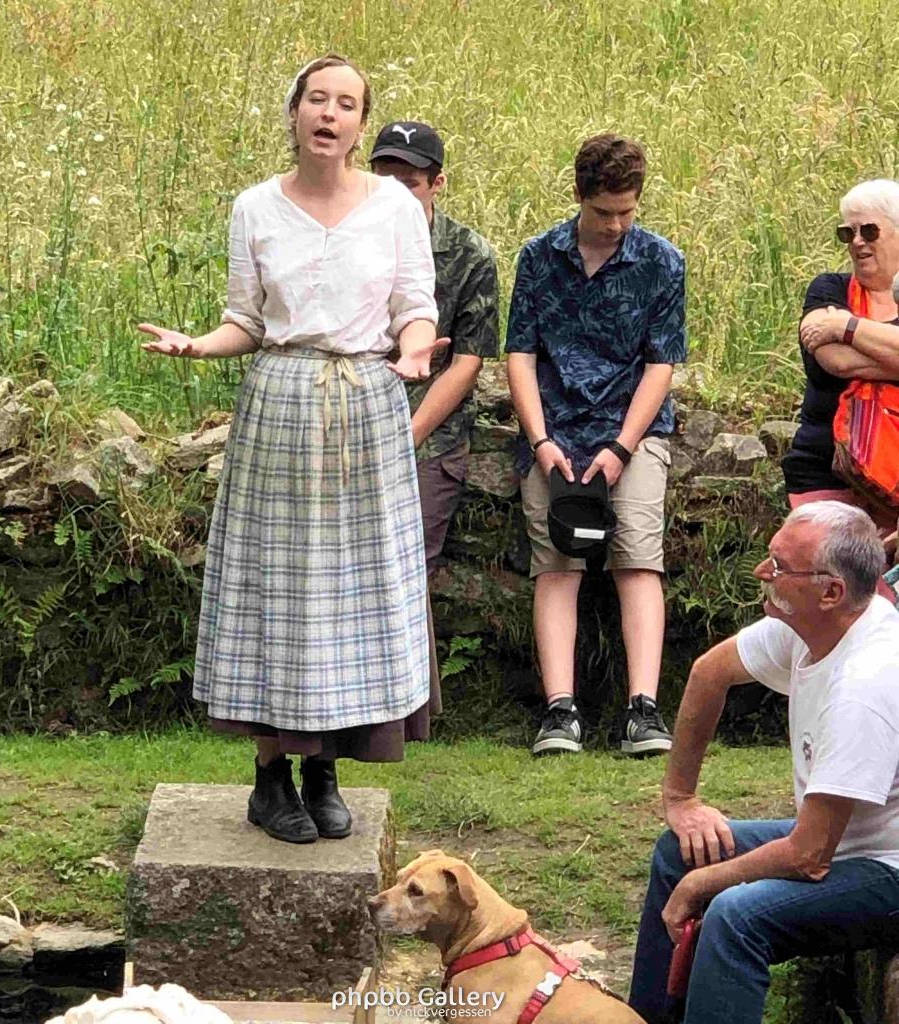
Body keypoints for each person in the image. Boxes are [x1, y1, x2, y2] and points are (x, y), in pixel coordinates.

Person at [138, 55, 447, 845]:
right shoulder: (255, 208)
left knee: (350, 592)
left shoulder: (395, 208)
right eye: (317, 99)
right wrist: (197, 345)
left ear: (360, 124)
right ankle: (271, 776)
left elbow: (415, 306)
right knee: (277, 591)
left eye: (346, 104)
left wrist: (416, 349)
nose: (329, 113)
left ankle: (325, 771)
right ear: (295, 112)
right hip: (280, 405)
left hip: (367, 404)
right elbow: (246, 320)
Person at [629, 502, 899, 1024]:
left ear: (830, 592)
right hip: (845, 843)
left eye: (779, 566)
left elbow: (809, 856)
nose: (761, 572)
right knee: (679, 851)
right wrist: (680, 799)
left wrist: (703, 883)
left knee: (736, 916)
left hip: (887, 867)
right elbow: (709, 672)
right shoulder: (810, 627)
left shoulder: (866, 684)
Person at [505, 133, 686, 758]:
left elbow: (661, 365)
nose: (615, 225)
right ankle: (560, 710)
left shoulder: (662, 261)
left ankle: (643, 709)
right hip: (553, 429)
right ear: (580, 196)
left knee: (637, 555)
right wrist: (540, 439)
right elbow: (521, 354)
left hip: (632, 429)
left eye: (626, 212)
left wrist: (622, 447)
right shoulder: (539, 257)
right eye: (604, 212)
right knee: (556, 561)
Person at [369, 121, 500, 582]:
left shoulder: (470, 254)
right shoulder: (348, 242)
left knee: (404, 572)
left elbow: (467, 362)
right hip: (351, 421)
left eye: (409, 184)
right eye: (384, 182)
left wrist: (409, 437)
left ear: (436, 183)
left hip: (430, 435)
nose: (395, 196)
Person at [783, 178, 899, 530]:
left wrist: (846, 326)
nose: (858, 241)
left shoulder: (838, 315)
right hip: (825, 474)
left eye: (869, 230)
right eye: (848, 233)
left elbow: (844, 349)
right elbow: (835, 360)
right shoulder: (829, 288)